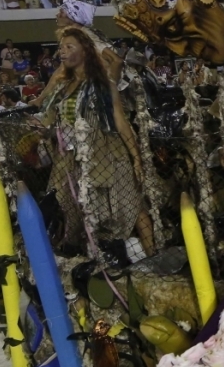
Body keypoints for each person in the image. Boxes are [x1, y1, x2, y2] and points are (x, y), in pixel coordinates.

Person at [32, 27, 155, 254]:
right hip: (69, 160)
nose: (63, 52)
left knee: (127, 206)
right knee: (73, 211)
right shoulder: (61, 86)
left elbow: (120, 121)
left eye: (70, 47)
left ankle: (149, 254)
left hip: (104, 154)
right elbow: (48, 119)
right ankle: (87, 257)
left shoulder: (102, 84)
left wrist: (136, 158)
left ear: (86, 52)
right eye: (61, 48)